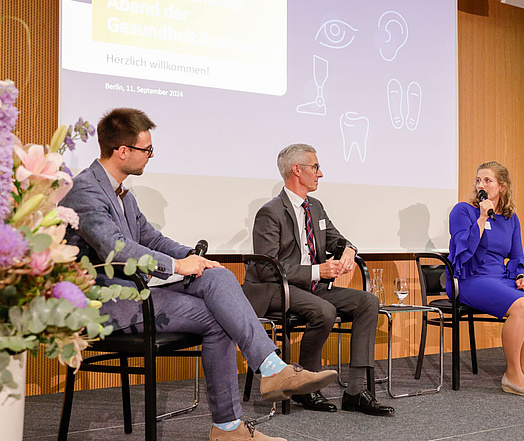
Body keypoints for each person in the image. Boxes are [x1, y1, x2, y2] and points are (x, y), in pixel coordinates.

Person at [60, 109, 337, 441]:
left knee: (217, 278)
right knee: (218, 318)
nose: (150, 156)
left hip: (137, 295)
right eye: (147, 150)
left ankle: (268, 375)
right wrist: (177, 266)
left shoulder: (123, 194)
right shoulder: (85, 190)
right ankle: (231, 423)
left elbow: (150, 238)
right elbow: (115, 249)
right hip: (108, 305)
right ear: (122, 151)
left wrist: (192, 258)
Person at [243, 143, 394, 416]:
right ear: (296, 170)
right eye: (315, 167)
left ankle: (355, 391)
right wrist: (318, 271)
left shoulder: (316, 206)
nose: (320, 173)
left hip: (311, 288)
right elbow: (268, 269)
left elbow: (338, 240)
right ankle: (305, 386)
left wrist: (349, 249)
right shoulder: (270, 212)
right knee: (324, 310)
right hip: (277, 289)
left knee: (368, 302)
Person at [447, 161, 524, 397]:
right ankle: (512, 374)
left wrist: (522, 276)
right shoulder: (463, 211)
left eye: (487, 180)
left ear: (502, 186)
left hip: (499, 277)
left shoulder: (511, 218)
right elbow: (464, 249)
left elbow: (517, 256)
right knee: (520, 304)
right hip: (469, 278)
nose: (480, 185)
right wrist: (482, 218)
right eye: (478, 180)